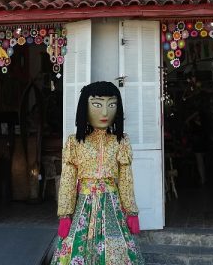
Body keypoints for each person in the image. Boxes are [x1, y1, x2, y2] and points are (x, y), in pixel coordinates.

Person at [51, 81, 144, 264]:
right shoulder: (75, 142)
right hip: (83, 206)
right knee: (78, 246)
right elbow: (68, 180)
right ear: (84, 108)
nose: (104, 112)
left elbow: (125, 179)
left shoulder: (120, 142)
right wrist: (65, 214)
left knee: (114, 246)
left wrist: (131, 211)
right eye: (97, 105)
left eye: (111, 105)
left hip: (112, 205)